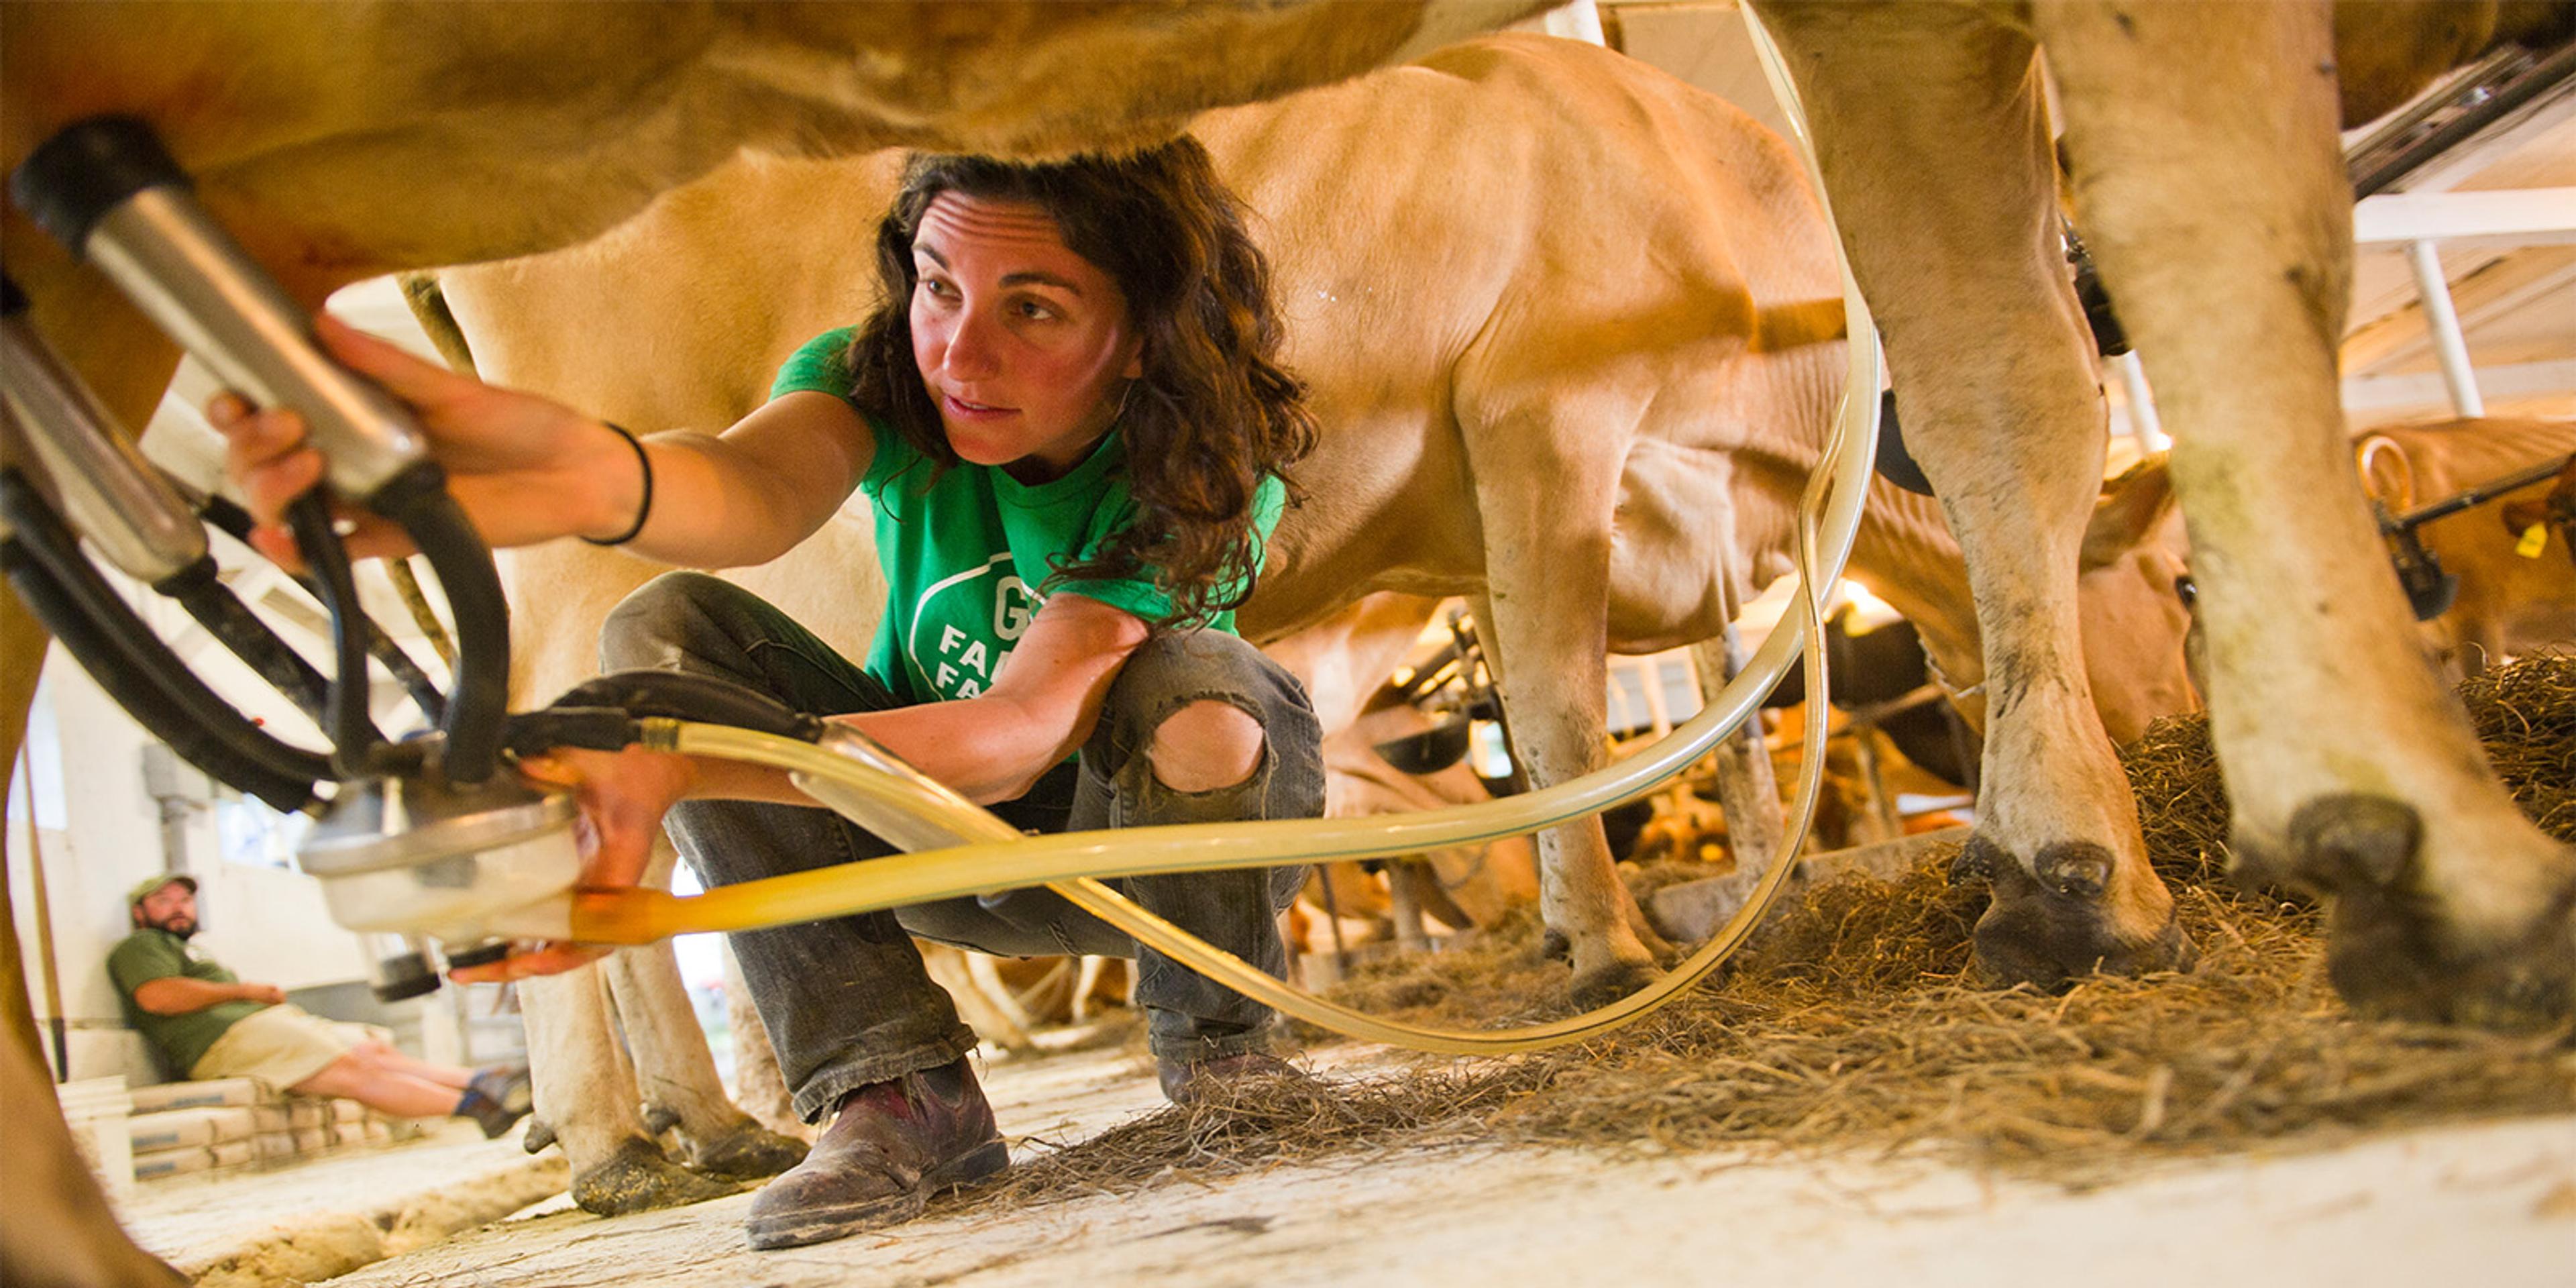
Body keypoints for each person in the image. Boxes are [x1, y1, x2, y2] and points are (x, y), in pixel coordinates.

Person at [212, 139, 1326, 1249]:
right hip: (926, 840)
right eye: (940, 285)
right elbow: (749, 487)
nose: (959, 353)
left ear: (1142, 339)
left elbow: (1019, 733)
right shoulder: (887, 376)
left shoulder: (1198, 474)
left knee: (1205, 685)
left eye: (1032, 311)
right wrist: (575, 474)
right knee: (663, 631)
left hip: (1133, 854)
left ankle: (1223, 1048)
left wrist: (685, 764)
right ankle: (898, 1096)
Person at [108, 874, 531, 1136]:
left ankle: (482, 1081)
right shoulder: (141, 945)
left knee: (371, 1049)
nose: (178, 909)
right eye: (163, 901)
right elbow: (156, 996)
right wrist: (246, 992)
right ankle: (474, 1107)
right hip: (222, 1041)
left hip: (258, 1025)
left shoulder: (193, 952)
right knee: (352, 1070)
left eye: (183, 900)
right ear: (140, 913)